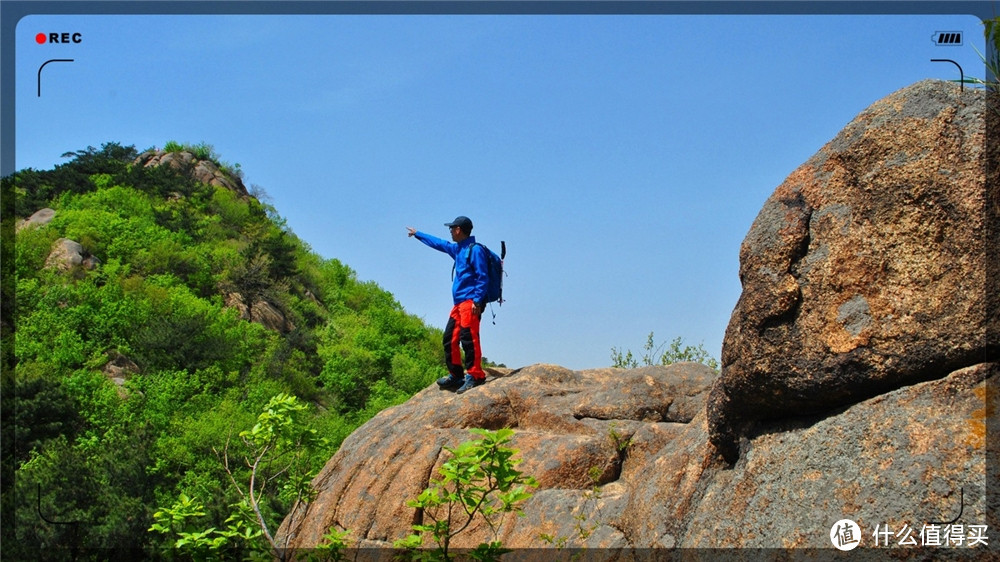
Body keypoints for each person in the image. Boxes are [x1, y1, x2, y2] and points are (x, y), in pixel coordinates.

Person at [407, 216, 488, 394]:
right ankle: (456, 375)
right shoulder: (457, 249)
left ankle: (476, 375)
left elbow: (483, 277)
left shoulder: (475, 250)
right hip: (458, 304)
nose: (450, 231)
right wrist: (418, 234)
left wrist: (477, 300)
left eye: (452, 228)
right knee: (449, 338)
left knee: (469, 338)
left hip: (470, 302)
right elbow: (439, 243)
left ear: (459, 230)